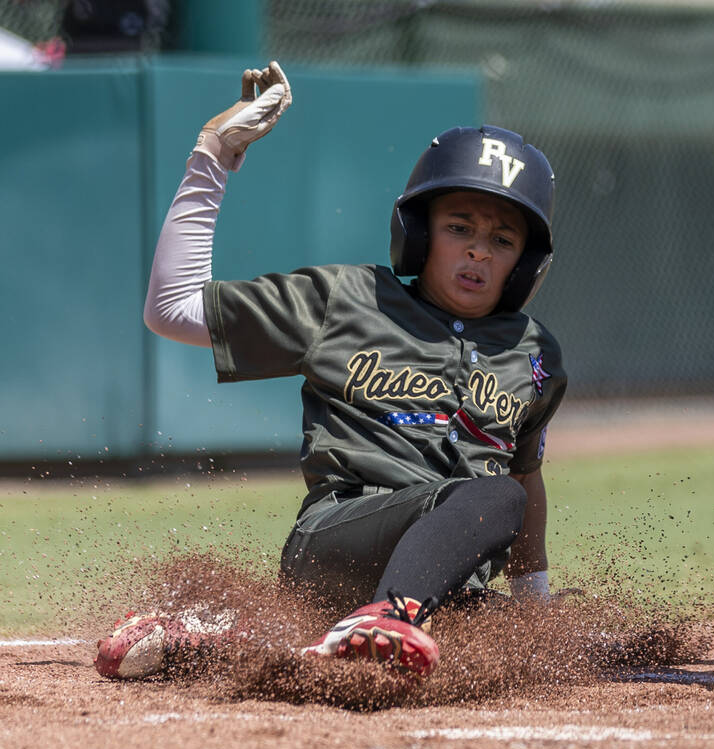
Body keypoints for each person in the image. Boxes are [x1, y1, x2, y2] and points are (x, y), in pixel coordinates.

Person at [94, 62, 568, 681]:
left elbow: (524, 481)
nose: (479, 249)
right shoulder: (347, 300)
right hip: (338, 538)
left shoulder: (535, 354)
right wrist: (214, 155)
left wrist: (534, 605)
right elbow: (172, 309)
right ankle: (383, 618)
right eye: (459, 228)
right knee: (490, 496)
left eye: (502, 239)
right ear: (419, 234)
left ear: (525, 263)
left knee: (551, 636)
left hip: (447, 578)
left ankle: (212, 643)